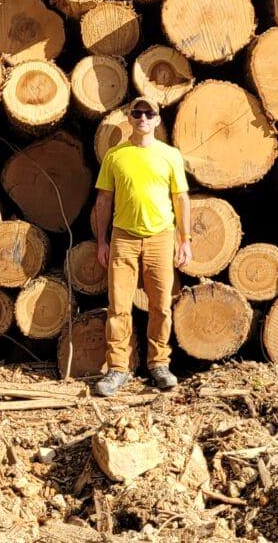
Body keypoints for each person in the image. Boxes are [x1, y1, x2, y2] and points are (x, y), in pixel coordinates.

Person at [88, 96, 191, 395]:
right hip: (124, 238)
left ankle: (159, 365)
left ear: (158, 120)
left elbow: (181, 199)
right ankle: (118, 369)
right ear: (130, 119)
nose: (143, 117)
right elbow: (104, 200)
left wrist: (185, 240)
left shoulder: (170, 156)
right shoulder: (115, 156)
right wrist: (102, 241)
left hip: (160, 237)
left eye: (149, 113)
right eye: (137, 113)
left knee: (161, 306)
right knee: (119, 306)